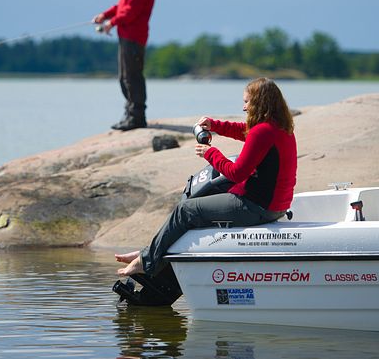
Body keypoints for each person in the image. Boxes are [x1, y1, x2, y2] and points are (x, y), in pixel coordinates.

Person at [115, 77, 297, 277]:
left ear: (260, 103)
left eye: (247, 102)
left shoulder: (262, 132)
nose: (244, 107)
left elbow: (237, 174)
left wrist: (210, 153)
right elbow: (246, 132)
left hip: (257, 207)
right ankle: (148, 252)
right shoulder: (278, 127)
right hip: (274, 206)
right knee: (209, 189)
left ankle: (146, 261)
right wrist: (215, 125)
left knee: (185, 210)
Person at [93, 0, 159, 131]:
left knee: (132, 77)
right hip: (126, 34)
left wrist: (111, 23)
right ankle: (130, 114)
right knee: (125, 77)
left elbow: (131, 10)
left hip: (134, 35)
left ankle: (137, 117)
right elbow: (122, 6)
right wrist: (105, 15)